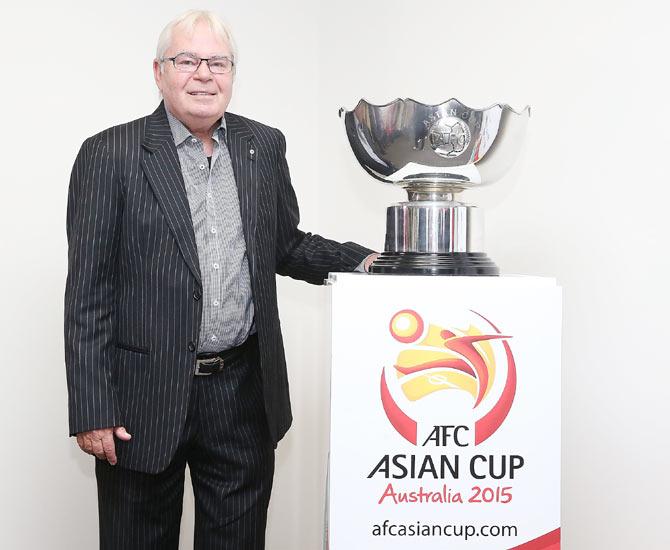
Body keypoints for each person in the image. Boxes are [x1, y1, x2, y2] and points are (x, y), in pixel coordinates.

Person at [64, 9, 377, 549]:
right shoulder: (108, 154)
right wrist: (93, 409)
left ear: (232, 73)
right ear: (159, 72)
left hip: (241, 392)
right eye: (187, 60)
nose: (203, 74)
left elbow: (284, 244)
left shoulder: (263, 145)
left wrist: (368, 262)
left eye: (218, 62)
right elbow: (88, 293)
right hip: (142, 399)